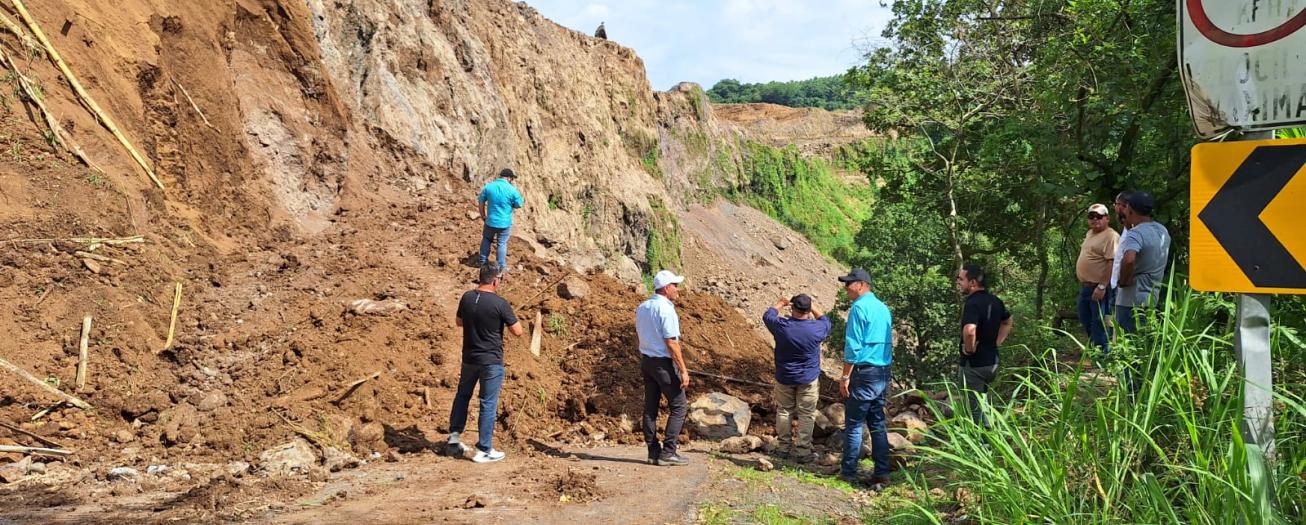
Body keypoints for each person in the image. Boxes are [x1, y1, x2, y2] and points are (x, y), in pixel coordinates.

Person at [446, 263, 524, 463]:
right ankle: (484, 449)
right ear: (496, 280)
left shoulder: (467, 297)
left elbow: (459, 322)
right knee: (488, 403)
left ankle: (454, 439)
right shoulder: (500, 304)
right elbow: (518, 331)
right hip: (491, 361)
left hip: (469, 358)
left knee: (463, 395)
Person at [836, 268, 893, 488]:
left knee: (854, 423)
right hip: (882, 372)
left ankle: (848, 472)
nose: (845, 288)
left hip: (864, 371)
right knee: (877, 423)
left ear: (861, 284)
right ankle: (882, 472)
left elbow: (853, 346)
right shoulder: (882, 308)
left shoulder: (859, 308)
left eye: (848, 283)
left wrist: (845, 376)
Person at [762, 294, 831, 462]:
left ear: (792, 308)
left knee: (784, 411)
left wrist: (781, 303)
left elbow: (768, 315)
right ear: (808, 310)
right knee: (806, 414)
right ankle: (802, 452)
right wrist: (812, 307)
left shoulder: (782, 326)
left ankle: (783, 448)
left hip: (785, 376)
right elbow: (826, 320)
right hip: (808, 378)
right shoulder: (817, 329)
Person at [636, 270, 691, 466]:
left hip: (647, 361)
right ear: (667, 288)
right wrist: (683, 369)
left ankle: (653, 452)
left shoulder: (643, 307)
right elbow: (672, 343)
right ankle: (669, 451)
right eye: (675, 285)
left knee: (650, 407)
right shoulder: (666, 310)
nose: (677, 289)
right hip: (663, 363)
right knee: (679, 406)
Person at [956, 263, 1013, 428]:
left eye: (961, 279)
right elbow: (1008, 321)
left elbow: (969, 330)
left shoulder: (972, 303)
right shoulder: (995, 301)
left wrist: (969, 349)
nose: (958, 282)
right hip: (992, 363)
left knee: (975, 410)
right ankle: (992, 439)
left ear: (972, 283)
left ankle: (983, 446)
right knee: (986, 404)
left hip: (974, 365)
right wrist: (997, 342)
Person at [1115, 191, 1170, 334]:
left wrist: (1124, 280)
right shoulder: (1162, 231)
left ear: (1130, 210)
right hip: (1152, 297)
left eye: (1126, 207)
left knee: (1128, 341)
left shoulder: (1136, 233)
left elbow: (1129, 260)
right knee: (1145, 342)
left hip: (1131, 299)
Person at [1075, 203, 1119, 356]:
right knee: (1085, 318)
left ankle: (1104, 356)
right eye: (1091, 216)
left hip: (1101, 288)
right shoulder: (1090, 234)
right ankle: (1095, 352)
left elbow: (1111, 262)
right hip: (1086, 287)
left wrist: (1101, 286)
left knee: (1101, 322)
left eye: (1099, 216)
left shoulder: (1111, 236)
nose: (1095, 219)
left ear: (1107, 218)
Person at [477, 168, 524, 270]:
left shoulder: (489, 187)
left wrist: (483, 215)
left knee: (486, 239)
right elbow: (519, 204)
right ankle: (501, 266)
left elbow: (481, 202)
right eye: (512, 179)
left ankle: (482, 262)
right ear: (509, 178)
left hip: (490, 221)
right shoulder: (512, 190)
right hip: (504, 223)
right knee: (501, 243)